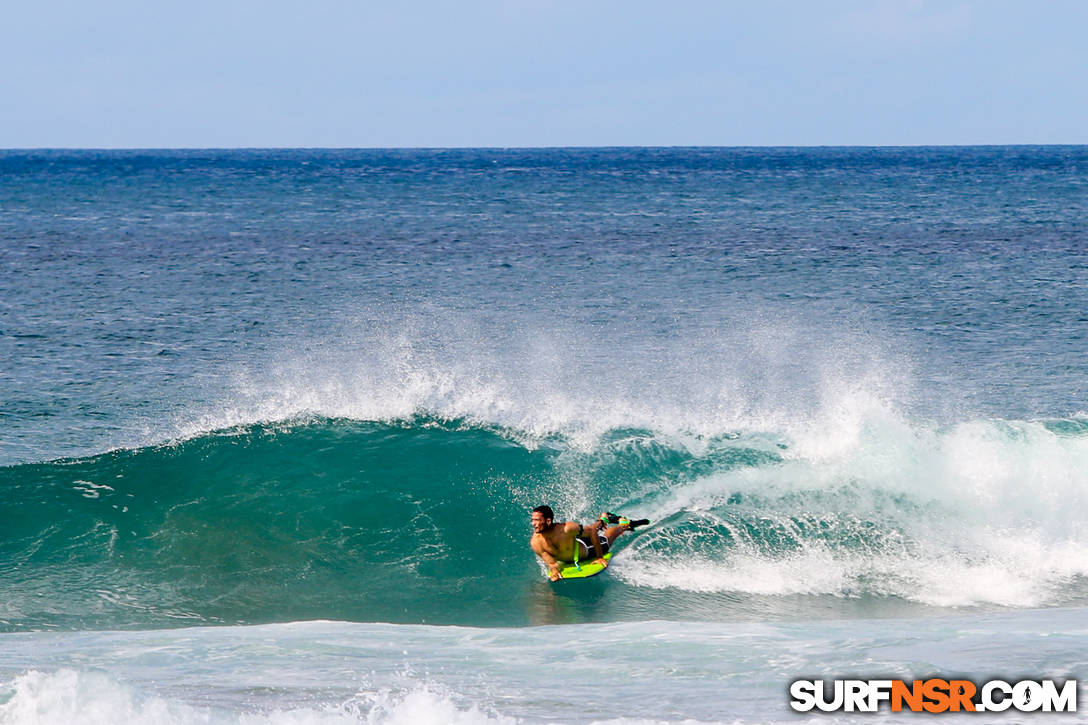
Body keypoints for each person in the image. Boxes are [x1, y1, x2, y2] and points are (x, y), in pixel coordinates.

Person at [530, 505, 648, 581]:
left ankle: (624, 525)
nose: (533, 524)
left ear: (548, 521)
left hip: (587, 548)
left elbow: (591, 532)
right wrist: (555, 571)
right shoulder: (536, 542)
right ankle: (603, 520)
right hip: (573, 545)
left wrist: (599, 557)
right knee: (591, 529)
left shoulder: (567, 529)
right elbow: (551, 563)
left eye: (537, 520)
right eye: (532, 520)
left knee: (607, 539)